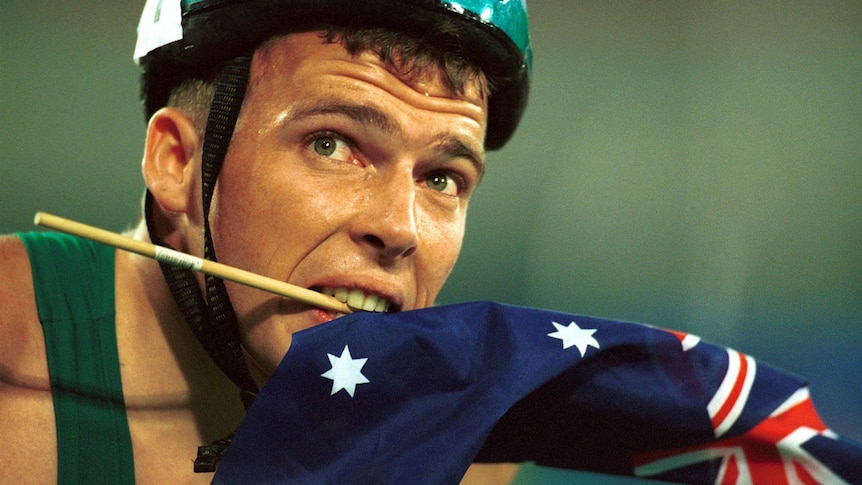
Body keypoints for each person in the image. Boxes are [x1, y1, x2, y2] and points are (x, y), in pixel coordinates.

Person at [0, 0, 530, 483]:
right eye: (331, 144)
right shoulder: (9, 344)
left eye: (441, 178)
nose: (399, 229)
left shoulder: (464, 461)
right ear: (178, 162)